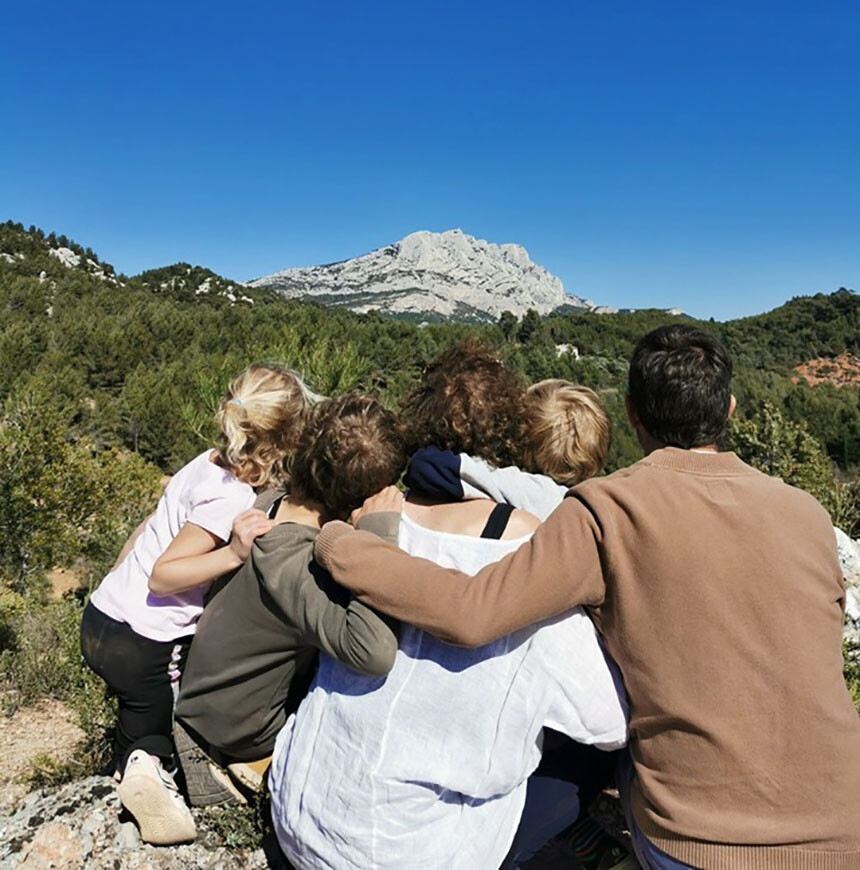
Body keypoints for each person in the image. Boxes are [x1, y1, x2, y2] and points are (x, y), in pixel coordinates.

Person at [313, 325, 860, 869]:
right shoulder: (806, 513)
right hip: (845, 823)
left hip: (699, 841)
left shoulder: (608, 509)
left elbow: (472, 612)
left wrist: (343, 543)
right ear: (731, 408)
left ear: (631, 413)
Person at [269, 341, 628, 870]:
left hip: (298, 815)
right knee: (592, 748)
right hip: (405, 852)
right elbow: (611, 722)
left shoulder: (374, 517)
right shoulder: (530, 558)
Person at [80, 363, 316, 845]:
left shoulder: (204, 462)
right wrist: (232, 553)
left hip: (102, 617)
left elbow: (149, 527)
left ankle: (124, 763)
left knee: (134, 711)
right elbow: (164, 575)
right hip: (146, 643)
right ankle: (148, 770)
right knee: (159, 730)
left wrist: (114, 583)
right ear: (286, 441)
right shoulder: (230, 500)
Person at [170, 393, 407, 821]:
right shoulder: (298, 565)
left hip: (206, 696)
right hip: (242, 733)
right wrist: (379, 536)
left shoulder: (270, 501)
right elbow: (374, 653)